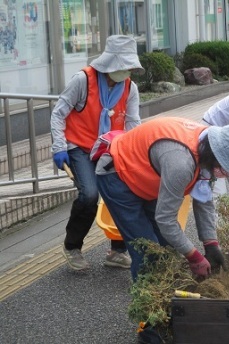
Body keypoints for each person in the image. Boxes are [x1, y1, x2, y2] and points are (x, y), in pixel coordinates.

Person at [95, 117, 229, 281]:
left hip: (146, 174)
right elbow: (165, 219)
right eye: (224, 165)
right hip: (117, 173)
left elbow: (204, 200)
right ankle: (149, 301)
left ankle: (168, 294)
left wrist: (211, 244)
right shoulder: (182, 163)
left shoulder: (206, 146)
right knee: (147, 250)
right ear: (215, 153)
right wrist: (193, 256)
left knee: (168, 246)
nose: (226, 172)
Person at [50, 35, 145, 271]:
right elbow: (58, 113)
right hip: (80, 147)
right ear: (110, 63)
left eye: (129, 67)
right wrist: (59, 148)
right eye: (123, 66)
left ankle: (117, 250)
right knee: (90, 195)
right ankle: (72, 246)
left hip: (111, 147)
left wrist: (137, 154)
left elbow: (133, 123)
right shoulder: (83, 80)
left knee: (124, 192)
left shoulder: (129, 87)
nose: (127, 71)